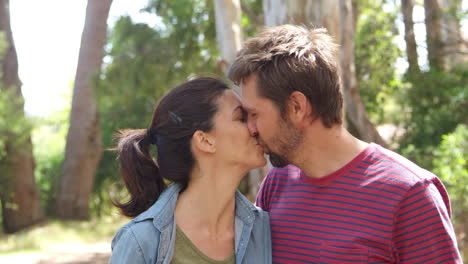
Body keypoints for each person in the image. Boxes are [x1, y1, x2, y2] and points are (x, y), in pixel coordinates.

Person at [228, 25, 462, 263]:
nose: (250, 128)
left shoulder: (410, 196)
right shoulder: (276, 186)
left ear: (296, 107)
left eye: (254, 114)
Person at [109, 77, 271, 264]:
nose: (255, 127)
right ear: (205, 141)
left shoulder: (262, 231)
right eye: (241, 118)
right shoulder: (140, 243)